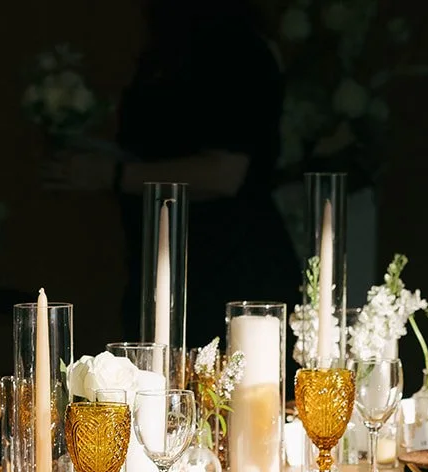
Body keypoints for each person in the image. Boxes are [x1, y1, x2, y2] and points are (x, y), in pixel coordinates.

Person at [44, 0, 300, 347]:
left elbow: (226, 173)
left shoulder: (237, 48)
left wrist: (115, 174)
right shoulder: (168, 51)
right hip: (163, 261)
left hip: (227, 268)